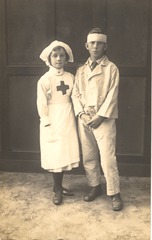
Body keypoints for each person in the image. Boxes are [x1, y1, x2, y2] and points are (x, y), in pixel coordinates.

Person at [72, 28, 123, 211]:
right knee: (89, 155)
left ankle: (115, 193)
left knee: (108, 157)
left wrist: (100, 116)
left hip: (104, 119)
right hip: (85, 118)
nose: (95, 46)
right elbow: (75, 94)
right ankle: (95, 186)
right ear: (87, 46)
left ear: (105, 46)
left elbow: (112, 94)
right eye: (92, 43)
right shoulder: (81, 70)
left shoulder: (111, 69)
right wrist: (82, 114)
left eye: (99, 43)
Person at [37, 40, 80, 205]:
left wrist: (78, 114)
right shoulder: (45, 79)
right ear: (49, 58)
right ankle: (56, 189)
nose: (58, 59)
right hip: (53, 118)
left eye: (62, 55)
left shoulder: (70, 77)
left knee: (64, 152)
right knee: (55, 153)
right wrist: (46, 120)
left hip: (67, 116)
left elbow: (75, 97)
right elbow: (41, 103)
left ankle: (60, 186)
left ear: (66, 58)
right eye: (55, 55)